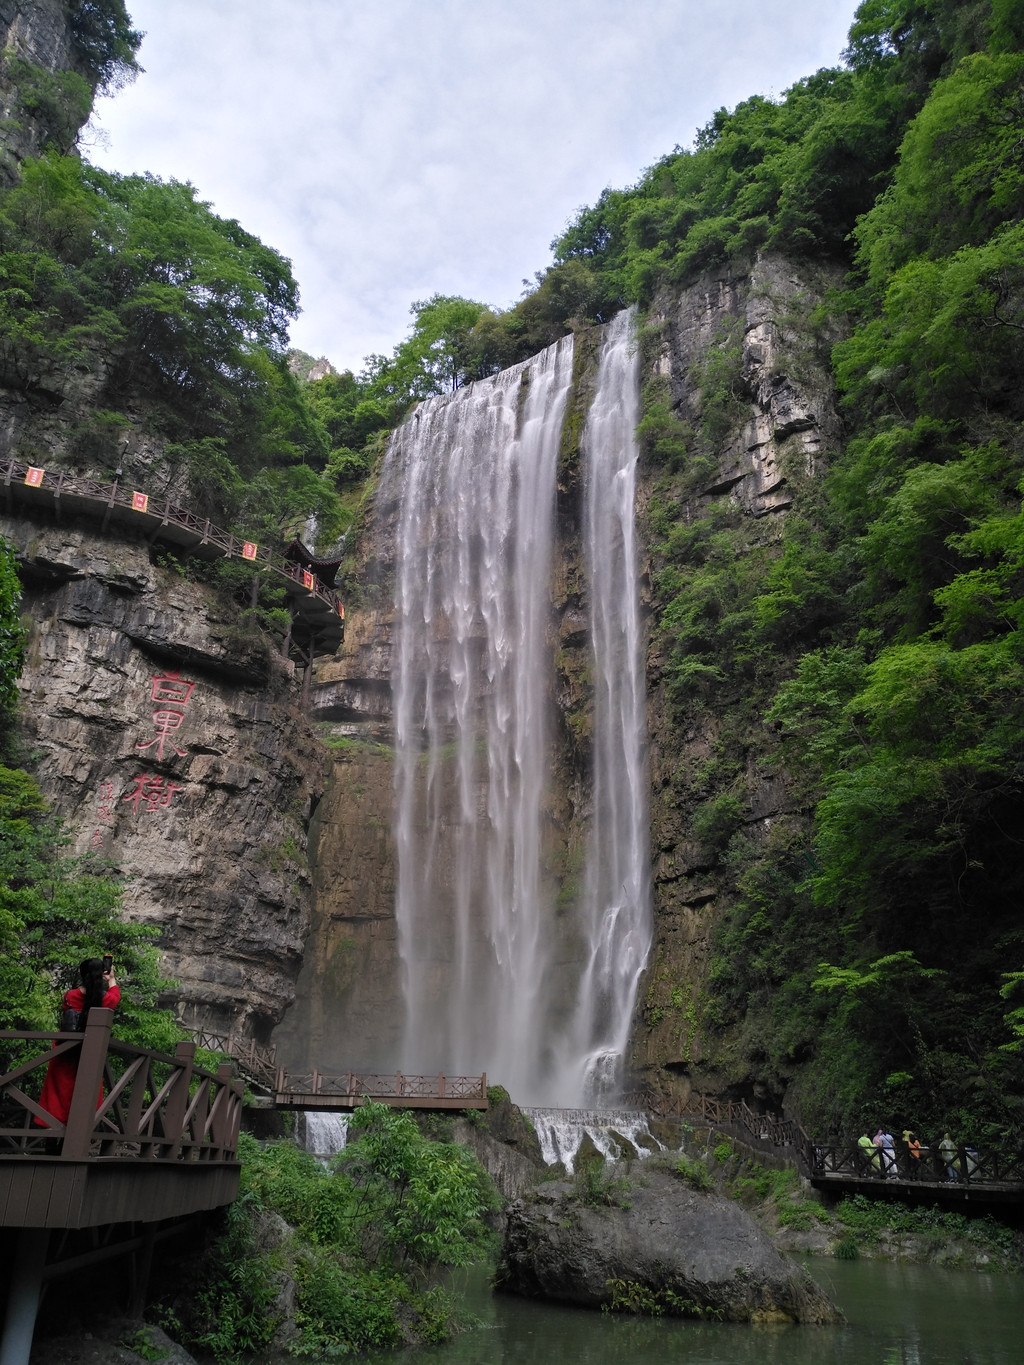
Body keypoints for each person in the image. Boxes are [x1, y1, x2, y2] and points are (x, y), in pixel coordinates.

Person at [36, 957, 120, 1127]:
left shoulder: (70, 996)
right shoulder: (105, 1000)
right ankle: (77, 1133)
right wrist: (111, 979)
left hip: (65, 1050)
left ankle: (50, 1134)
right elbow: (115, 997)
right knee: (85, 1091)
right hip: (89, 1053)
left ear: (82, 974)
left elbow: (68, 1011)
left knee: (57, 1092)